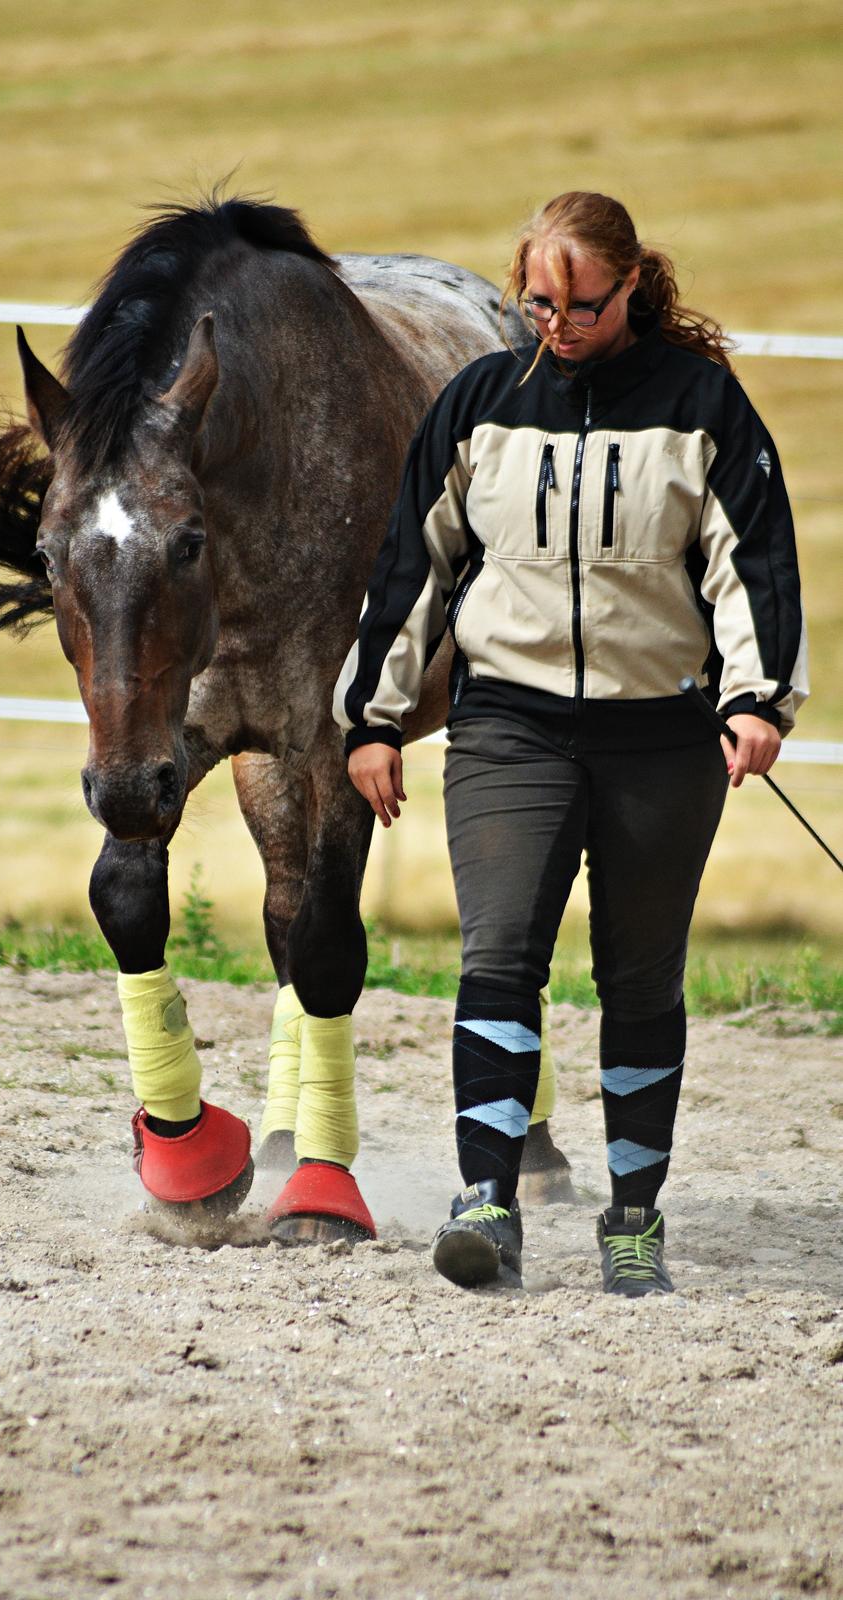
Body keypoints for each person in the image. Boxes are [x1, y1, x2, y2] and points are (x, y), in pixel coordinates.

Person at [334, 191, 807, 1297]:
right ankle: (486, 1205)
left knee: (638, 981)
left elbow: (755, 562)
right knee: (498, 958)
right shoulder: (477, 406)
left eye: (581, 303)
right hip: (509, 727)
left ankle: (632, 1215)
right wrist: (372, 715)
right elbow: (414, 568)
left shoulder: (700, 408)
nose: (557, 322)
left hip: (661, 739)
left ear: (629, 287)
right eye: (537, 302)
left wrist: (755, 699)